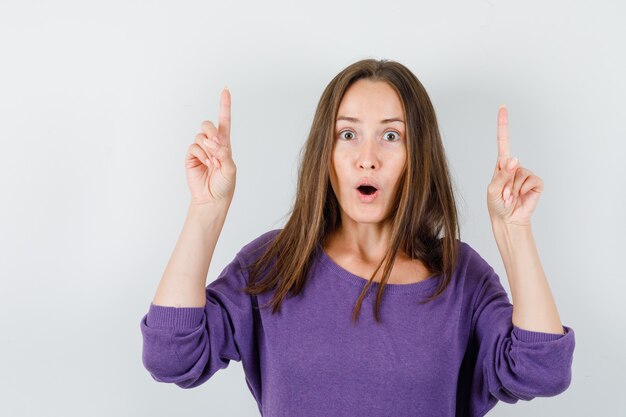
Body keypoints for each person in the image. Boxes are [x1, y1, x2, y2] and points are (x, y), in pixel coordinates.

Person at [139, 59, 575, 417]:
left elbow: (543, 370)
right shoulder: (275, 262)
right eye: (347, 135)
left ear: (416, 154)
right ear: (324, 154)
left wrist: (514, 231)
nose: (367, 159)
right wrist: (206, 211)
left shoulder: (460, 277)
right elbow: (171, 357)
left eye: (391, 135)